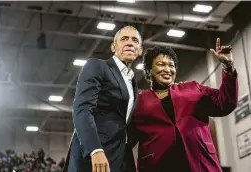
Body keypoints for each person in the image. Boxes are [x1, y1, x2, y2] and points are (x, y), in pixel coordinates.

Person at [128, 39, 238, 172]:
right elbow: (125, 141)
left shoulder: (193, 88)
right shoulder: (137, 102)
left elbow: (225, 103)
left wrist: (228, 66)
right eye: (161, 64)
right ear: (148, 70)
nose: (167, 69)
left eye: (171, 65)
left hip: (202, 165)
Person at [64, 26, 143, 172]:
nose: (130, 43)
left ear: (139, 50)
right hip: (92, 159)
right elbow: (82, 109)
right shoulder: (98, 66)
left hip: (119, 159)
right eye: (124, 39)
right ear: (114, 47)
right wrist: (95, 150)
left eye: (135, 40)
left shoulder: (133, 83)